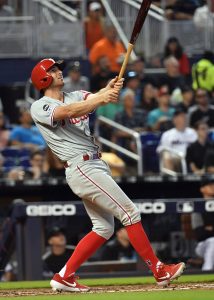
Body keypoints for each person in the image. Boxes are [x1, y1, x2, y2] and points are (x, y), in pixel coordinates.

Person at [30, 58, 185, 292]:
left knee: (104, 227)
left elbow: (94, 97)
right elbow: (67, 111)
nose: (59, 71)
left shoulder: (76, 94)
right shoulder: (40, 106)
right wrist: (101, 97)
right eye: (53, 70)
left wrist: (109, 89)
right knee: (130, 212)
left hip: (94, 164)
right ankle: (159, 270)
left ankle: (64, 275)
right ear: (42, 78)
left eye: (58, 68)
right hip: (81, 167)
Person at [157, 109, 197, 173]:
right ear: (174, 120)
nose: (183, 119)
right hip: (175, 158)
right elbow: (162, 150)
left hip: (191, 158)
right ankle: (170, 180)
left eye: (184, 117)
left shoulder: (192, 132)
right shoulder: (167, 134)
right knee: (166, 156)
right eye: (181, 117)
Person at [191, 176, 214, 271]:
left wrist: (211, 228)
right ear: (202, 189)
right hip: (202, 245)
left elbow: (207, 230)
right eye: (210, 185)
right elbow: (200, 234)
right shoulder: (198, 207)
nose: (213, 186)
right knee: (213, 241)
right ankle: (207, 271)